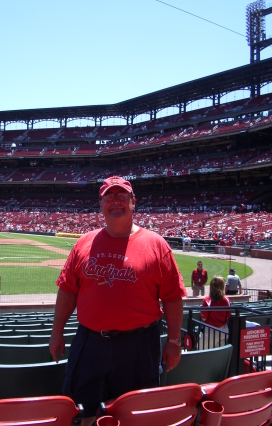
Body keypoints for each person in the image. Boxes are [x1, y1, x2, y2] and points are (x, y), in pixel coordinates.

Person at [49, 175, 187, 426]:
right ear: (100, 205)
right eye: (109, 197)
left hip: (139, 346)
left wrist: (174, 339)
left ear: (134, 202)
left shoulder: (156, 245)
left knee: (134, 415)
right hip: (90, 342)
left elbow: (172, 297)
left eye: (122, 196)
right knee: (81, 412)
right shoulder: (83, 244)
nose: (115, 202)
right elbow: (68, 290)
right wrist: (57, 332)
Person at [200, 275, 231, 348]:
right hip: (223, 331)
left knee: (203, 353)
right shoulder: (227, 300)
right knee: (219, 355)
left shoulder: (207, 300)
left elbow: (204, 318)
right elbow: (228, 316)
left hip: (210, 331)